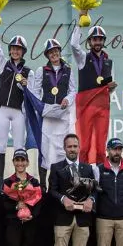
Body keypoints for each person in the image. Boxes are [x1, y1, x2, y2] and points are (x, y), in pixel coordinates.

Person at [49, 134, 96, 246]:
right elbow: (52, 191)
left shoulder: (88, 168)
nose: (72, 149)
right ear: (64, 148)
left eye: (75, 146)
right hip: (63, 217)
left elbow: (95, 189)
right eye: (69, 146)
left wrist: (91, 199)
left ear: (79, 147)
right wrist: (63, 199)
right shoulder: (56, 168)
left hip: (82, 219)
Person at [30, 39, 77, 190]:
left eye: (56, 50)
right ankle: (43, 186)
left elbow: (73, 90)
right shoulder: (41, 70)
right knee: (44, 149)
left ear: (59, 51)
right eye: (51, 52)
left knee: (62, 150)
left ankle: (62, 185)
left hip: (62, 114)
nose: (54, 53)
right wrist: (39, 107)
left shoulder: (68, 69)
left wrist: (67, 100)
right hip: (48, 114)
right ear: (47, 55)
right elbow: (36, 92)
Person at [0, 26, 32, 187]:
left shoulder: (28, 71)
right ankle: (0, 182)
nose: (15, 51)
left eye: (19, 49)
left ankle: (19, 181)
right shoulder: (3, 63)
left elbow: (32, 92)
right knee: (1, 145)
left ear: (23, 52)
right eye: (13, 48)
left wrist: (24, 85)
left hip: (19, 112)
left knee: (19, 147)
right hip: (4, 110)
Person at [70, 24, 118, 164]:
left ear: (104, 41)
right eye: (94, 39)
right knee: (84, 144)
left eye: (100, 39)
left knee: (100, 145)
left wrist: (110, 87)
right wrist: (80, 22)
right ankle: (84, 173)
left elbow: (111, 87)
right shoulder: (83, 58)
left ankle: (100, 175)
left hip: (103, 107)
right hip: (86, 107)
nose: (97, 42)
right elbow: (73, 45)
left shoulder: (109, 62)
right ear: (89, 41)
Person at [0, 148, 42, 246]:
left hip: (29, 223)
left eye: (23, 160)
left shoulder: (34, 182)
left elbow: (38, 204)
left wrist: (31, 215)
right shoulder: (8, 182)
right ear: (13, 162)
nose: (20, 163)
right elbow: (4, 205)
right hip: (13, 223)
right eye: (17, 160)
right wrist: (17, 206)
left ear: (28, 162)